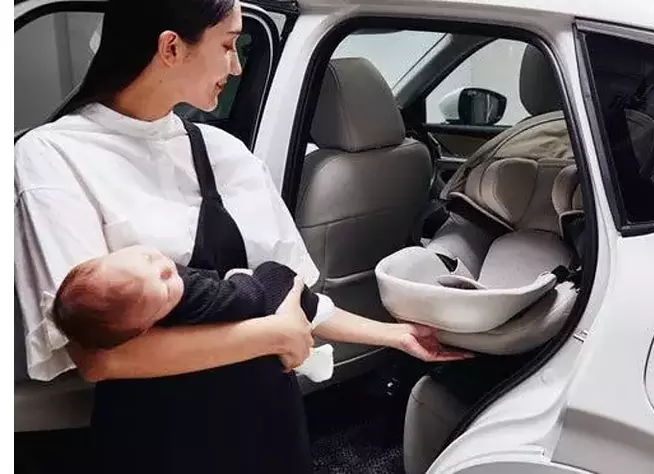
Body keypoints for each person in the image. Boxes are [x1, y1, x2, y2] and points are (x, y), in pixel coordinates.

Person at [14, 0, 469, 472]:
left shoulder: (226, 152)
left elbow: (293, 296)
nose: (235, 67)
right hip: (162, 438)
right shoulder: (53, 156)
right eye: (229, 45)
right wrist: (272, 335)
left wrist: (396, 335)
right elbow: (99, 359)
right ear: (171, 48)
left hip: (268, 418)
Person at [51, 245, 335, 382]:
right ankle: (313, 331)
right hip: (258, 311)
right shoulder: (197, 298)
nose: (165, 269)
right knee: (276, 274)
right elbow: (245, 298)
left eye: (148, 259)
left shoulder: (142, 303)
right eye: (165, 291)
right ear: (145, 327)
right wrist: (250, 277)